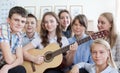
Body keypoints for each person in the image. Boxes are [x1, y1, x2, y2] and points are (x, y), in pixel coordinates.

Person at [0, 6, 27, 73]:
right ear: (8, 20)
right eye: (16, 20)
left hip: (3, 64)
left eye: (22, 21)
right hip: (3, 62)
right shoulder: (3, 28)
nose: (19, 24)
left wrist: (7, 67)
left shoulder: (19, 33)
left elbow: (20, 60)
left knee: (20, 69)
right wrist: (16, 57)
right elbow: (9, 59)